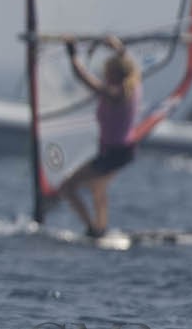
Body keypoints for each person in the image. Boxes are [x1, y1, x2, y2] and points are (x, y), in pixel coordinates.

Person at [59, 35, 141, 238]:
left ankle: (92, 228)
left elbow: (84, 78)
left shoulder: (115, 94)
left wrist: (72, 54)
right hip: (122, 151)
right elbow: (129, 66)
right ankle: (100, 228)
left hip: (113, 153)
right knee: (97, 189)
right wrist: (119, 49)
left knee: (67, 187)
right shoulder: (135, 86)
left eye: (108, 73)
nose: (105, 76)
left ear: (115, 76)